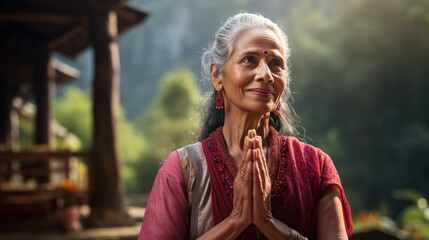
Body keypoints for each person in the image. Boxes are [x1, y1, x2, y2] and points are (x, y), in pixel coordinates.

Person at [139, 12, 353, 240]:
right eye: (249, 60)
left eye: (276, 64)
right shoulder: (183, 170)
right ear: (217, 75)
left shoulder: (316, 168)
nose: (266, 74)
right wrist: (236, 221)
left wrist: (269, 224)